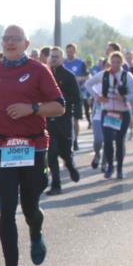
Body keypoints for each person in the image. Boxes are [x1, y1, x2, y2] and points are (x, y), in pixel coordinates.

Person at [0, 25, 65, 266]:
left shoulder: (39, 70)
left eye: (15, 39)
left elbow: (60, 107)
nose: (10, 43)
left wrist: (32, 109)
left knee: (29, 206)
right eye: (6, 38)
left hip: (34, 147)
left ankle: (36, 231)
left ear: (26, 43)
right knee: (6, 210)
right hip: (5, 148)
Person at [85, 51, 133, 179]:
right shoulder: (104, 75)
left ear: (122, 62)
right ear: (110, 62)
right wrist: (97, 97)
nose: (115, 64)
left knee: (119, 141)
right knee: (107, 141)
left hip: (122, 113)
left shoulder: (127, 76)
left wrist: (124, 97)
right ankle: (110, 166)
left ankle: (119, 168)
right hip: (107, 112)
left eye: (118, 62)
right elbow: (88, 84)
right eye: (113, 62)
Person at [46, 46, 82, 194]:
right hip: (48, 120)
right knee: (52, 153)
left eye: (56, 56)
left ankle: (70, 166)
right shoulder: (45, 75)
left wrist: (63, 101)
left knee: (65, 151)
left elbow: (76, 98)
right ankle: (56, 185)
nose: (53, 59)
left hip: (64, 119)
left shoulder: (68, 76)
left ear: (61, 59)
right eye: (51, 56)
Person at [62, 43, 89, 147]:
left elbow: (87, 77)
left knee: (75, 119)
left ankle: (75, 140)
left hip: (77, 93)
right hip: (65, 94)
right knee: (65, 119)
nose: (69, 53)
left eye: (71, 51)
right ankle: (67, 139)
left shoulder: (80, 63)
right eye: (68, 51)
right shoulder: (62, 63)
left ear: (75, 51)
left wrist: (79, 79)